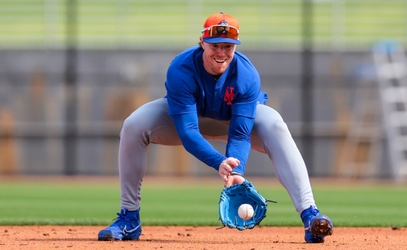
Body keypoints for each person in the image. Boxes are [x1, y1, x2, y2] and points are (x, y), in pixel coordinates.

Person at [98, 12, 333, 243]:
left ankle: (310, 216)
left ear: (235, 48)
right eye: (215, 45)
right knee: (133, 125)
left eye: (228, 47)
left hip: (233, 119)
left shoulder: (246, 75)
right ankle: (129, 219)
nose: (221, 53)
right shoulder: (181, 69)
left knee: (276, 125)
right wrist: (218, 162)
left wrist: (236, 171)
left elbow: (240, 133)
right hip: (188, 118)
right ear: (202, 42)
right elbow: (189, 133)